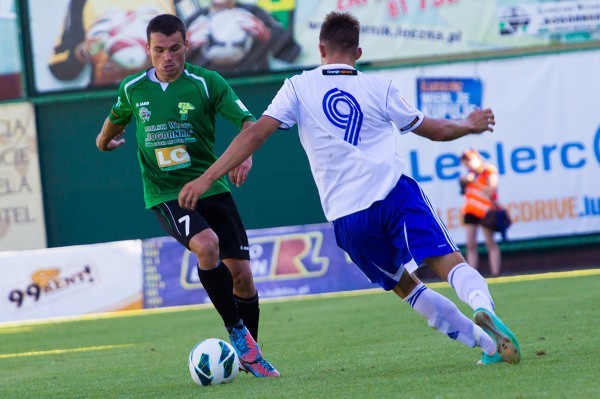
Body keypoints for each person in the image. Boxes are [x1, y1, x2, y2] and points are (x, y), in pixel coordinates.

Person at [178, 11, 521, 366]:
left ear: (321, 49)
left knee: (407, 287)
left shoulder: (298, 86)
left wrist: (206, 179)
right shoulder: (379, 87)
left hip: (348, 218)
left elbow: (255, 134)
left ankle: (487, 344)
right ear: (357, 53)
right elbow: (436, 130)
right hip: (394, 195)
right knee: (449, 262)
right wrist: (470, 124)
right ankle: (482, 306)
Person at [95, 13, 278, 377]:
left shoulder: (206, 83)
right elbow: (115, 118)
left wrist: (249, 152)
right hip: (166, 192)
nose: (167, 57)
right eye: (159, 50)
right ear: (147, 49)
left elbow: (248, 122)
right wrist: (103, 142)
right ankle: (237, 333)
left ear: (186, 46)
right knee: (207, 245)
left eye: (174, 48)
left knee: (241, 275)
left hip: (212, 187)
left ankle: (248, 356)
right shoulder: (133, 89)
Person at [49, 0, 178, 87]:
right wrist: (82, 52)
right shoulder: (82, 2)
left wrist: (152, 63)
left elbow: (195, 54)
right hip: (105, 101)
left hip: (164, 98)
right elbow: (60, 66)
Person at [184, 0, 301, 75]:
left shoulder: (255, 14)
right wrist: (183, 49)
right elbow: (175, 64)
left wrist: (267, 35)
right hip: (208, 92)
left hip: (251, 86)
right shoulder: (193, 22)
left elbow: (290, 51)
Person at [459, 148, 503, 277]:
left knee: (490, 242)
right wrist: (463, 182)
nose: (468, 165)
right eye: (465, 163)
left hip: (486, 210)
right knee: (470, 244)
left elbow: (491, 190)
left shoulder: (488, 170)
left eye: (470, 161)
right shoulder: (469, 174)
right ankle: (473, 274)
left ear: (477, 158)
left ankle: (495, 273)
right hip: (470, 210)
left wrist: (474, 182)